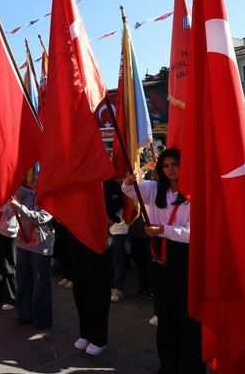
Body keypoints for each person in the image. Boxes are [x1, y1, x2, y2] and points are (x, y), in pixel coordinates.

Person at [123, 148, 204, 374]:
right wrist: (132, 179)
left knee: (188, 315)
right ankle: (168, 365)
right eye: (166, 165)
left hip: (184, 255)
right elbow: (129, 189)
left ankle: (191, 366)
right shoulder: (155, 189)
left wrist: (164, 229)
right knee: (165, 314)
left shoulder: (195, 193)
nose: (170, 170)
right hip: (158, 255)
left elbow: (195, 233)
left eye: (175, 164)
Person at [69, 179, 125, 357]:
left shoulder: (112, 185)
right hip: (79, 240)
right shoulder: (79, 181)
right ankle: (85, 332)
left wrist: (93, 205)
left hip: (99, 241)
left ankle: (99, 338)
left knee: (97, 290)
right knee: (80, 287)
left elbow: (112, 220)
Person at [12, 182, 54, 329]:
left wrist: (18, 207)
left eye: (40, 180)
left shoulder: (51, 199)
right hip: (23, 243)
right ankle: (24, 313)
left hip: (40, 247)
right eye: (36, 179)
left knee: (40, 283)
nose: (36, 182)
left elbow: (39, 218)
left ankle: (42, 318)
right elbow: (12, 185)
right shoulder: (28, 194)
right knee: (23, 279)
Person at [0, 196, 19, 311]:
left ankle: (12, 298)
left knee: (9, 265)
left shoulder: (16, 193)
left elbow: (11, 211)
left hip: (10, 232)